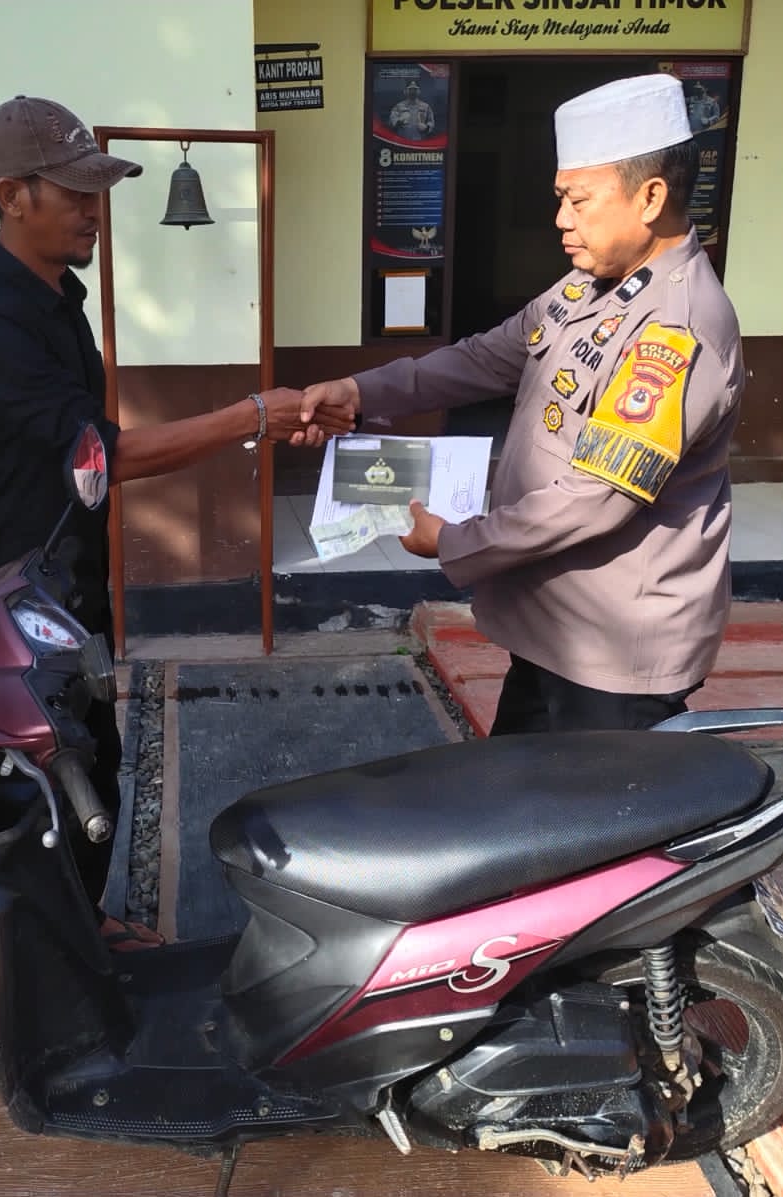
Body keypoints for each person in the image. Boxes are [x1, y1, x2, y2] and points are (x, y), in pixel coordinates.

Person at [0, 95, 348, 945]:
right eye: (74, 193)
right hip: (10, 600)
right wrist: (253, 417)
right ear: (13, 196)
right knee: (33, 778)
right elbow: (103, 456)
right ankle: (25, 955)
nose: (94, 210)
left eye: (97, 192)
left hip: (67, 581)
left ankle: (79, 930)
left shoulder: (57, 297)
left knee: (94, 759)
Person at [297, 74, 743, 736]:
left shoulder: (677, 328)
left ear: (650, 197)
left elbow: (593, 498)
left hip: (615, 651)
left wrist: (454, 541)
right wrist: (361, 392)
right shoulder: (589, 286)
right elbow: (486, 358)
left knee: (592, 803)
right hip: (554, 625)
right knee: (517, 791)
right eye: (560, 199)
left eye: (578, 201)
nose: (561, 220)